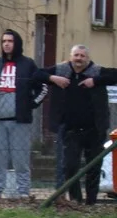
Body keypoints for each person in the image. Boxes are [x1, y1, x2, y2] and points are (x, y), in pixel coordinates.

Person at [31, 45, 117, 205]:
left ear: (88, 58)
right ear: (71, 57)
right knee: (70, 166)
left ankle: (91, 202)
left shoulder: (97, 71)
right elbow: (36, 74)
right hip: (70, 129)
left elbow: (115, 75)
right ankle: (76, 199)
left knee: (94, 167)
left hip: (95, 129)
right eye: (76, 55)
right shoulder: (61, 70)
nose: (79, 59)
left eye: (82, 56)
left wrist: (95, 81)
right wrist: (53, 79)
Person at [0, 29, 46, 201]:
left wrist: (31, 103)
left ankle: (23, 191)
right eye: (4, 41)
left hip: (20, 122)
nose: (6, 44)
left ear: (17, 44)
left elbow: (42, 88)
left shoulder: (28, 64)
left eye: (10, 41)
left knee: (21, 159)